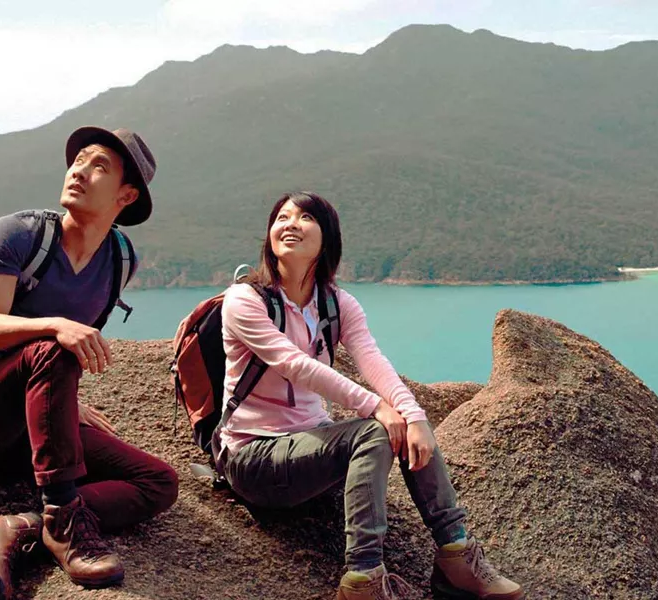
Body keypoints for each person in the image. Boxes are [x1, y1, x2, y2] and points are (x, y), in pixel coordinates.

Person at [218, 191, 523, 600]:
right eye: (282, 217)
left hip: (311, 453)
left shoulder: (337, 303)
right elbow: (295, 365)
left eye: (305, 216)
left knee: (403, 415)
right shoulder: (245, 299)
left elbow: (372, 360)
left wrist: (413, 415)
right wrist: (376, 406)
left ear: (327, 238)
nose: (290, 223)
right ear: (269, 235)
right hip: (253, 458)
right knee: (376, 428)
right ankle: (363, 579)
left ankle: (456, 553)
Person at [0, 126, 178, 599]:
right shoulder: (19, 235)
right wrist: (55, 328)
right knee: (54, 346)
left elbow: (73, 349)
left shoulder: (119, 259)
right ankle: (64, 518)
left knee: (159, 482)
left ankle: (14, 527)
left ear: (126, 195)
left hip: (30, 423)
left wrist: (59, 401)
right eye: (79, 160)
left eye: (98, 166)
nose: (79, 171)